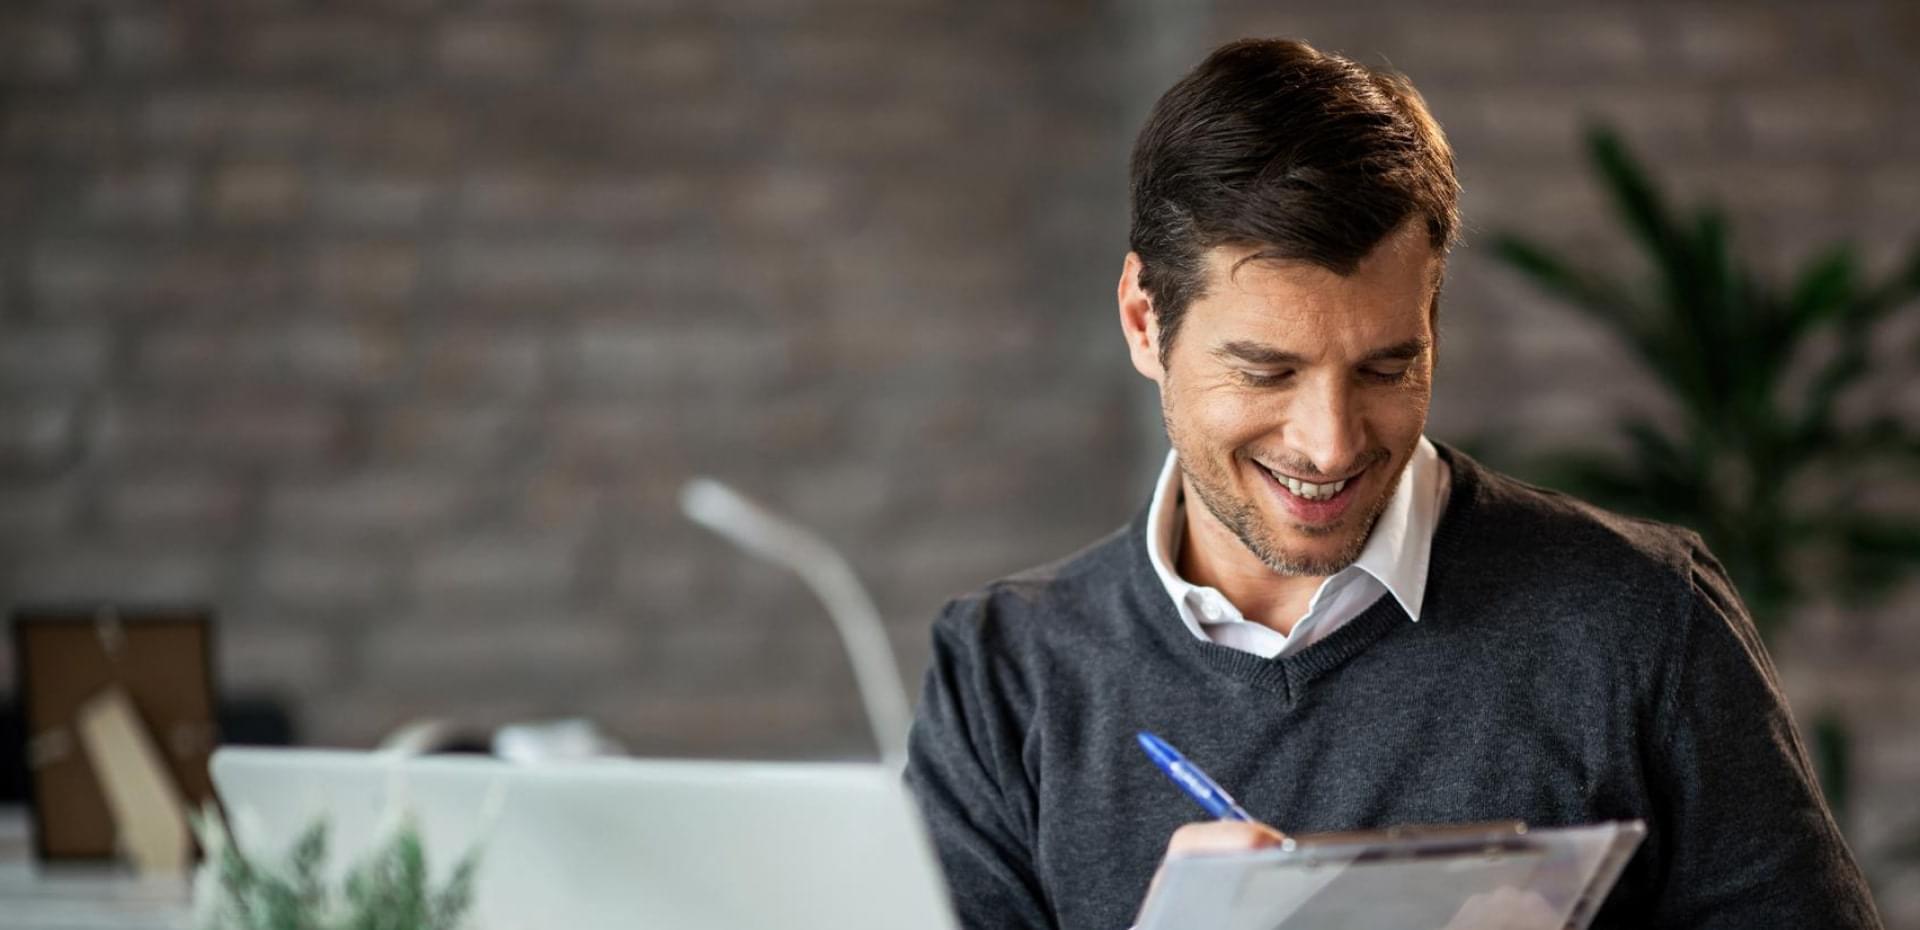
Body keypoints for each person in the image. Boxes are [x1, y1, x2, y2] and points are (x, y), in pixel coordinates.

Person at [903, 37, 1882, 930]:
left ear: (1434, 321)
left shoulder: (1641, 622)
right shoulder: (1005, 673)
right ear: (1142, 322)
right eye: (1267, 371)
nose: (1329, 446)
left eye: (1384, 367)